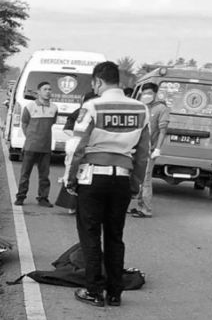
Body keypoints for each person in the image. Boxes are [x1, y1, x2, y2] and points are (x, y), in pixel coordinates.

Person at [63, 61, 150, 307]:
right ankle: (114, 293)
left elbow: (76, 147)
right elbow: (143, 153)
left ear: (98, 82)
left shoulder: (92, 106)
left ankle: (93, 290)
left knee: (90, 235)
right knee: (115, 236)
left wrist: (70, 180)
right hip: (122, 178)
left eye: (95, 84)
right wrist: (135, 185)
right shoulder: (141, 109)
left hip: (92, 177)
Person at [14, 82, 60, 206]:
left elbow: (52, 123)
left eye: (50, 89)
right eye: (45, 89)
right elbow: (24, 123)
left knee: (44, 175)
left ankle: (43, 198)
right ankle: (21, 197)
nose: (48, 91)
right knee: (25, 174)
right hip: (31, 146)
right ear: (38, 92)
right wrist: (30, 137)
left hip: (45, 147)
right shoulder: (29, 107)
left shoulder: (54, 108)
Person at [131, 82, 169, 218]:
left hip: (150, 149)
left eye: (149, 93)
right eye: (144, 93)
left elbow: (163, 131)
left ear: (155, 93)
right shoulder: (141, 106)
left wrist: (158, 148)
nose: (146, 96)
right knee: (138, 177)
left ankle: (146, 209)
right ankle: (139, 205)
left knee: (146, 179)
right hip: (138, 148)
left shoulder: (161, 108)